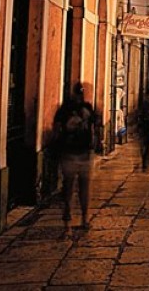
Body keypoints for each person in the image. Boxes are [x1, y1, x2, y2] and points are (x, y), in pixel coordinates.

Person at [53, 82, 95, 228]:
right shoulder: (85, 108)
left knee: (70, 184)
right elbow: (93, 127)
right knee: (80, 186)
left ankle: (72, 212)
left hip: (73, 153)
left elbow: (57, 127)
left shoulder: (66, 109)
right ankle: (82, 216)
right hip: (79, 153)